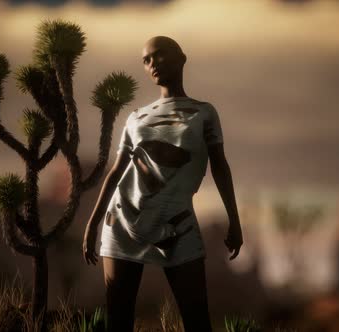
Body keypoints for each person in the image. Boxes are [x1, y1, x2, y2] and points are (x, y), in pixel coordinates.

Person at [82, 35, 243, 332]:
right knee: (119, 322)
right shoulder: (136, 117)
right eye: (146, 59)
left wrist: (234, 219)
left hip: (178, 225)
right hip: (123, 222)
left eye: (159, 55)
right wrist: (92, 224)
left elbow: (220, 165)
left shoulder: (204, 112)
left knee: (198, 320)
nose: (153, 63)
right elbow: (117, 171)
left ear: (182, 58)